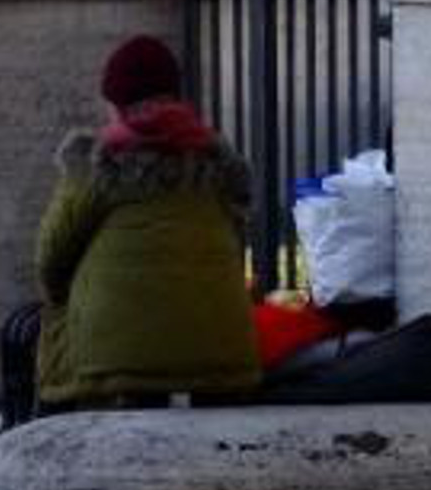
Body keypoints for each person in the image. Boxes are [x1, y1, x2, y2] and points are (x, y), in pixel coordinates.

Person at [33, 34, 262, 410]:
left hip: (113, 357)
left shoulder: (97, 165)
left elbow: (50, 261)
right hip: (220, 350)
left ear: (117, 103)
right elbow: (235, 249)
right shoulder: (218, 164)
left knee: (63, 315)